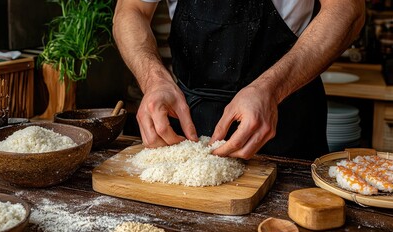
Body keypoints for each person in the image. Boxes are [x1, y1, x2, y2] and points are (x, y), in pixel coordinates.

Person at [112, 0, 365, 160]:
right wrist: (154, 79)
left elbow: (347, 9)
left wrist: (271, 89)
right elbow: (130, 10)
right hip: (189, 129)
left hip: (288, 123)